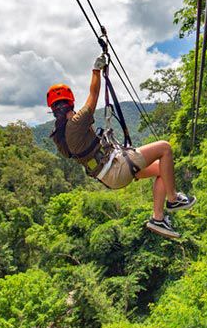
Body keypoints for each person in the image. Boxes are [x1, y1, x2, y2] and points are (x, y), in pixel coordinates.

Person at [47, 54, 195, 239]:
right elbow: (93, 95)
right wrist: (96, 70)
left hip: (109, 175)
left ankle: (158, 218)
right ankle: (173, 200)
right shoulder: (76, 123)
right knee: (164, 148)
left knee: (161, 172)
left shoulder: (61, 135)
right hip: (116, 167)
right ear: (71, 103)